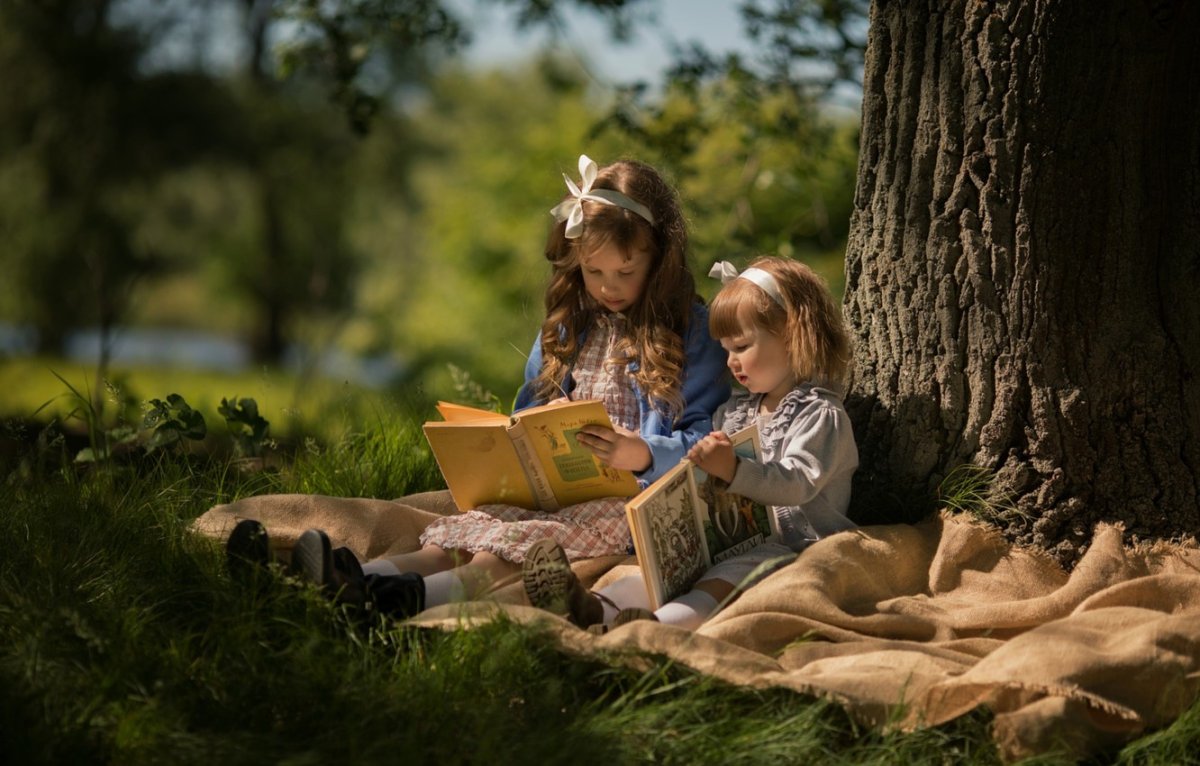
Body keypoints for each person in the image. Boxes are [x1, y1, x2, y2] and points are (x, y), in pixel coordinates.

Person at [226, 153, 729, 619]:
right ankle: (341, 577)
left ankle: (397, 601)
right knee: (465, 532)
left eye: (626, 271)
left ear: (659, 259)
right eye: (593, 271)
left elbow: (701, 445)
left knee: (502, 551)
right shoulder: (570, 324)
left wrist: (639, 452)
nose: (608, 287)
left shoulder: (691, 332)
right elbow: (527, 413)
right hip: (555, 490)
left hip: (626, 500)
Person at [522, 255, 858, 631]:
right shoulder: (735, 412)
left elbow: (796, 484)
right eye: (726, 349)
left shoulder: (819, 415)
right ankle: (590, 609)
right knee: (660, 572)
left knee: (721, 579)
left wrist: (732, 469)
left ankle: (655, 631)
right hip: (731, 539)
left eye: (742, 346)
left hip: (793, 548)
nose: (730, 362)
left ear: (795, 336)